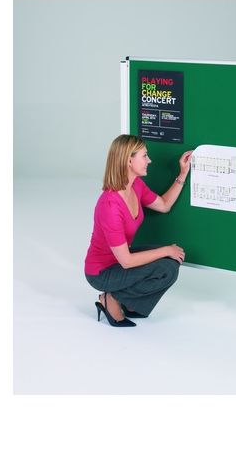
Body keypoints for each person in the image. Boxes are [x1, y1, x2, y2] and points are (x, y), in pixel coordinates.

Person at [84, 134, 193, 327]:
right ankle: (111, 298)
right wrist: (166, 249)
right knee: (166, 267)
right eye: (144, 156)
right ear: (129, 160)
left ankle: (127, 303)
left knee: (171, 262)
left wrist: (183, 173)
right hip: (103, 272)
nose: (149, 161)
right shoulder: (110, 205)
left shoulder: (135, 185)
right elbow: (126, 261)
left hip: (120, 261)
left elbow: (164, 205)